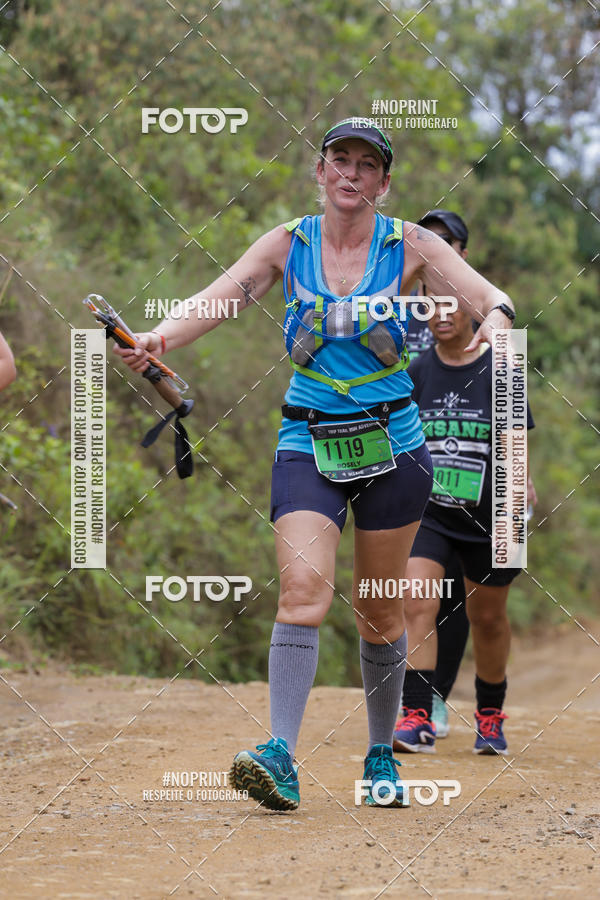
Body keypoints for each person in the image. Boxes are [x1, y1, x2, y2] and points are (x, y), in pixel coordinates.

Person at [115, 118, 515, 808]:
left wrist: (499, 324)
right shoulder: (286, 243)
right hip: (307, 440)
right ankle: (281, 755)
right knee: (303, 589)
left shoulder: (410, 244)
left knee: (380, 615)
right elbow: (224, 295)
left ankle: (379, 756)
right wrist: (159, 336)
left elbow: (486, 298)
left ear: (384, 183)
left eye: (367, 164)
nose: (352, 173)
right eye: (340, 160)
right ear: (321, 171)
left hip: (395, 446)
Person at [393, 293, 534, 756]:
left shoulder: (504, 366)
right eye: (430, 307)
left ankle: (489, 716)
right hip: (431, 512)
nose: (442, 315)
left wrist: (522, 487)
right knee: (417, 602)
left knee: (488, 618)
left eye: (452, 306)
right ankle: (417, 716)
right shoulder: (415, 373)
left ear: (476, 311)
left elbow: (516, 442)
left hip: (495, 513)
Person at [404, 210, 472, 739]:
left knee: (454, 594)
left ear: (462, 253)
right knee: (410, 588)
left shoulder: (480, 304)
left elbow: (509, 396)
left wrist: (520, 470)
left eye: (446, 242)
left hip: (466, 475)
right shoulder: (395, 301)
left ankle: (434, 699)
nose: (434, 247)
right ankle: (408, 698)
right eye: (427, 238)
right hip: (402, 463)